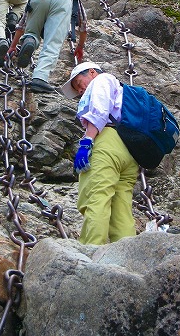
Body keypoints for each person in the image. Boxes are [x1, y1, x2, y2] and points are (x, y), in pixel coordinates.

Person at [60, 62, 139, 245]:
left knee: (96, 198)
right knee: (121, 209)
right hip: (129, 149)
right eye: (77, 88)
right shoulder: (120, 89)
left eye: (80, 83)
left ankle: (90, 251)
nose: (80, 90)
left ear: (93, 72)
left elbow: (99, 110)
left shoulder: (102, 79)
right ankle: (127, 254)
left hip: (107, 142)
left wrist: (87, 142)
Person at [7, 0, 87, 93]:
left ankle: (30, 40)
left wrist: (13, 45)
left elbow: (23, 23)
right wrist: (79, 46)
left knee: (31, 32)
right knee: (52, 43)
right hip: (62, 0)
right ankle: (40, 78)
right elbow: (83, 23)